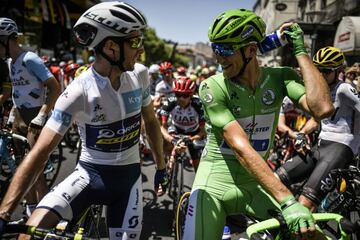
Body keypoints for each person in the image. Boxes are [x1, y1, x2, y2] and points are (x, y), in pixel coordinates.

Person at [0, 2, 168, 240]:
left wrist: (161, 167)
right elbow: (39, 153)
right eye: (135, 42)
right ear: (111, 46)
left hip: (128, 183)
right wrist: (4, 213)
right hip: (89, 176)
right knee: (28, 233)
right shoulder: (78, 92)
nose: (140, 50)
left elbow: (150, 122)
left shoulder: (140, 75)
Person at [183, 9, 334, 240]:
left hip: (255, 186)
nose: (218, 58)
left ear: (251, 50)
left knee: (311, 235)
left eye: (225, 50)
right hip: (213, 185)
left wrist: (301, 52)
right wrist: (288, 200)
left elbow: (322, 108)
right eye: (215, 49)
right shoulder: (212, 87)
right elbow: (241, 148)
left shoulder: (280, 77)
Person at [276, 46, 360, 212]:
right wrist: (301, 134)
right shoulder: (320, 91)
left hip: (340, 148)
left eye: (326, 71)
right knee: (274, 180)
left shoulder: (344, 89)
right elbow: (316, 120)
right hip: (320, 146)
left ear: (339, 71)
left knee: (305, 204)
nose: (320, 74)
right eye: (317, 70)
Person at [0, 17, 61, 216]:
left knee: (35, 173)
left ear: (7, 39)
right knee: (21, 170)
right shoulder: (10, 62)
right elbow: (16, 91)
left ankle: (41, 219)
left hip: (35, 119)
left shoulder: (30, 59)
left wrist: (42, 116)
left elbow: (54, 88)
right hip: (19, 118)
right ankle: (30, 212)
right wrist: (11, 117)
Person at [159, 76, 206, 171]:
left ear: (191, 95)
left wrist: (191, 139)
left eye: (185, 95)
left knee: (197, 162)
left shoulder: (198, 104)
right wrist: (171, 140)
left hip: (193, 132)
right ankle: (166, 170)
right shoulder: (170, 102)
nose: (181, 98)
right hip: (176, 129)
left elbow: (203, 132)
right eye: (177, 94)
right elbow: (162, 127)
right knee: (166, 146)